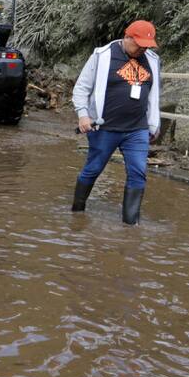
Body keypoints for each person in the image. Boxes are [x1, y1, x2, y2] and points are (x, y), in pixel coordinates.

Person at [70, 20, 161, 225]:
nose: (142, 49)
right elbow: (81, 88)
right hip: (105, 127)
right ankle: (77, 212)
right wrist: (83, 115)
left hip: (137, 129)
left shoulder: (152, 60)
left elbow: (154, 96)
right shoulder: (102, 56)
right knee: (93, 169)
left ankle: (131, 226)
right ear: (127, 37)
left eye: (146, 46)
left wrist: (154, 125)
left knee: (138, 172)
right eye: (139, 44)